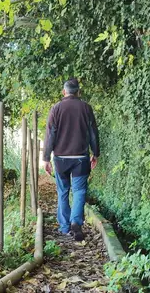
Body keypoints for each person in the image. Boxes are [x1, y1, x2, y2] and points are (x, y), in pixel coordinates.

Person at [43, 78, 100, 241]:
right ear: (78, 92)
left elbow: (50, 134)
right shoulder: (86, 108)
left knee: (63, 191)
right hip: (81, 158)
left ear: (64, 92)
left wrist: (46, 158)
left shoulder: (56, 109)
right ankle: (76, 222)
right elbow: (93, 133)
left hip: (61, 159)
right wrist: (95, 153)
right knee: (79, 191)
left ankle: (65, 227)